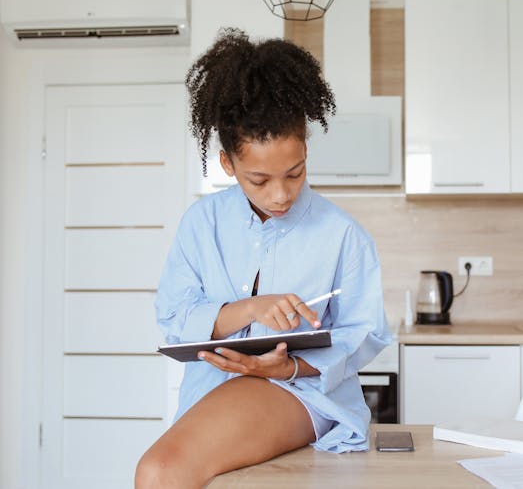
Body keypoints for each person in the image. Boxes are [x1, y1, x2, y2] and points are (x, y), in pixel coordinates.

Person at [135, 28, 391, 488]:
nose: (281, 195)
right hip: (211, 392)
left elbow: (362, 335)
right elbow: (174, 319)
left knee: (159, 472)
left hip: (301, 391)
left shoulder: (342, 234)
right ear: (228, 164)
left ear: (306, 151)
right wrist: (249, 309)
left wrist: (288, 365)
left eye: (294, 174)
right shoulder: (201, 223)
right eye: (259, 180)